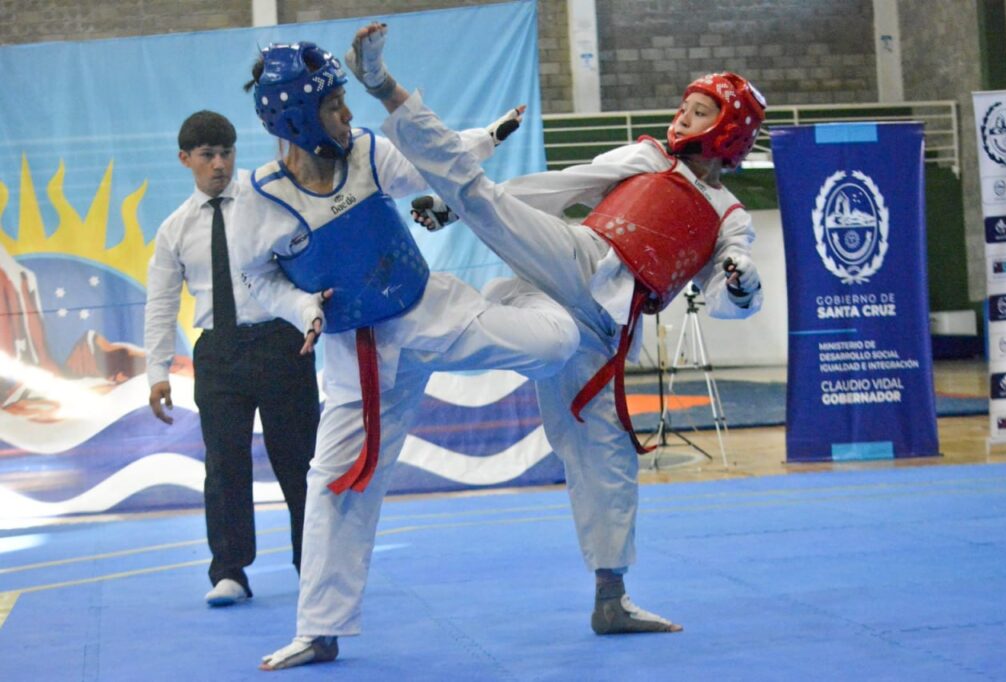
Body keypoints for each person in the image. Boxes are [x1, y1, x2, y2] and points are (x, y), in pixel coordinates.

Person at [349, 23, 766, 636]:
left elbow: (732, 288)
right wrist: (454, 207)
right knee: (486, 201)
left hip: (602, 330)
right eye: (686, 105)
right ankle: (384, 87)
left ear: (729, 131)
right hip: (576, 259)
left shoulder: (730, 215)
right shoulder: (649, 157)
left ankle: (611, 597)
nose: (683, 116)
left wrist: (741, 281)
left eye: (700, 111)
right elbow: (563, 184)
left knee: (605, 454)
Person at [229, 42, 580, 670]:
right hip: (362, 357)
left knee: (558, 343)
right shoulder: (258, 200)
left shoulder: (366, 151)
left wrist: (488, 136)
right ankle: (319, 629)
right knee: (333, 485)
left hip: (431, 312)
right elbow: (259, 278)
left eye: (343, 101)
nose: (345, 115)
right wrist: (304, 308)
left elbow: (431, 165)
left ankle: (521, 291)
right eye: (332, 106)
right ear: (298, 119)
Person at [143, 111, 321, 607]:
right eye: (207, 156)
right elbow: (161, 302)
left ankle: (314, 566)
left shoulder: (268, 201)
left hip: (282, 343)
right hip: (218, 353)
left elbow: (307, 255)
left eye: (226, 153)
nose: (219, 164)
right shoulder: (175, 229)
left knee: (301, 461)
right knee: (223, 466)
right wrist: (157, 371)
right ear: (186, 160)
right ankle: (230, 572)